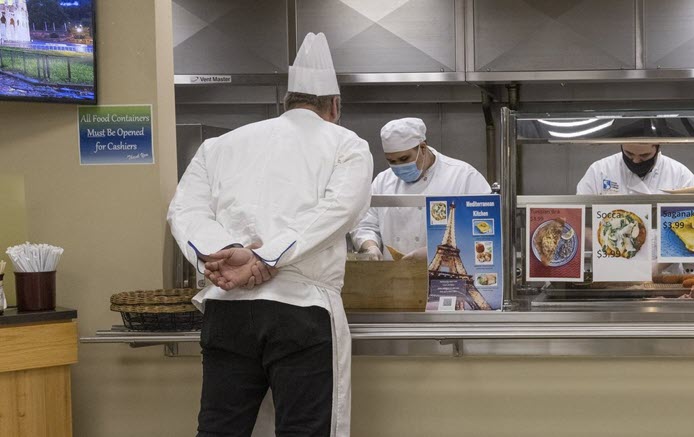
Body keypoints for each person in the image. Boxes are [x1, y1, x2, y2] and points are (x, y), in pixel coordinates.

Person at [167, 33, 370, 437]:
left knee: (219, 429)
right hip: (302, 310)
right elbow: (338, 211)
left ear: (286, 103)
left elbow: (184, 209)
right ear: (334, 106)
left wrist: (225, 253)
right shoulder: (346, 144)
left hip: (228, 312)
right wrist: (265, 258)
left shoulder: (219, 146)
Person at [351, 118, 491, 261]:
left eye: (404, 159)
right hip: (394, 276)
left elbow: (484, 229)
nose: (399, 166)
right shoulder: (382, 181)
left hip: (447, 279)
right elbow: (365, 224)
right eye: (392, 161)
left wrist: (433, 252)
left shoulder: (463, 176)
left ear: (423, 148)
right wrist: (370, 247)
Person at [576, 143, 694, 195]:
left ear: (657, 148)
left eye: (644, 156)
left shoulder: (681, 175)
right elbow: (579, 216)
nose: (635, 161)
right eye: (629, 154)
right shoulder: (599, 171)